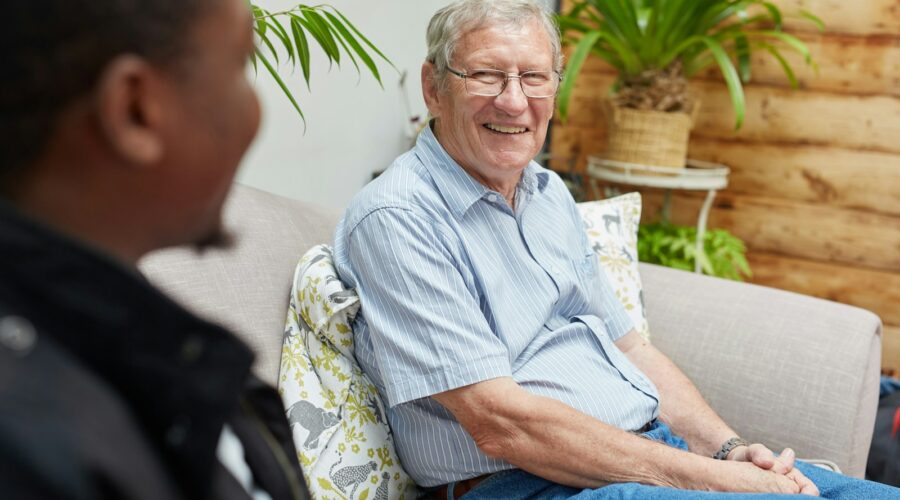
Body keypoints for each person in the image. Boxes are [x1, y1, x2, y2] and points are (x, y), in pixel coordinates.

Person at [333, 1, 899, 498]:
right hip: (525, 485)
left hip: (646, 456)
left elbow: (631, 347)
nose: (513, 101)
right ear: (434, 87)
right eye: (486, 75)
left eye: (533, 77)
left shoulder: (548, 192)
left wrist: (727, 451)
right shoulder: (399, 218)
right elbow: (499, 423)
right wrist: (711, 480)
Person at [0, 1, 310, 499]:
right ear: (135, 110)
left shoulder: (119, 340)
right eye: (239, 68)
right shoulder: (38, 444)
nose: (255, 114)